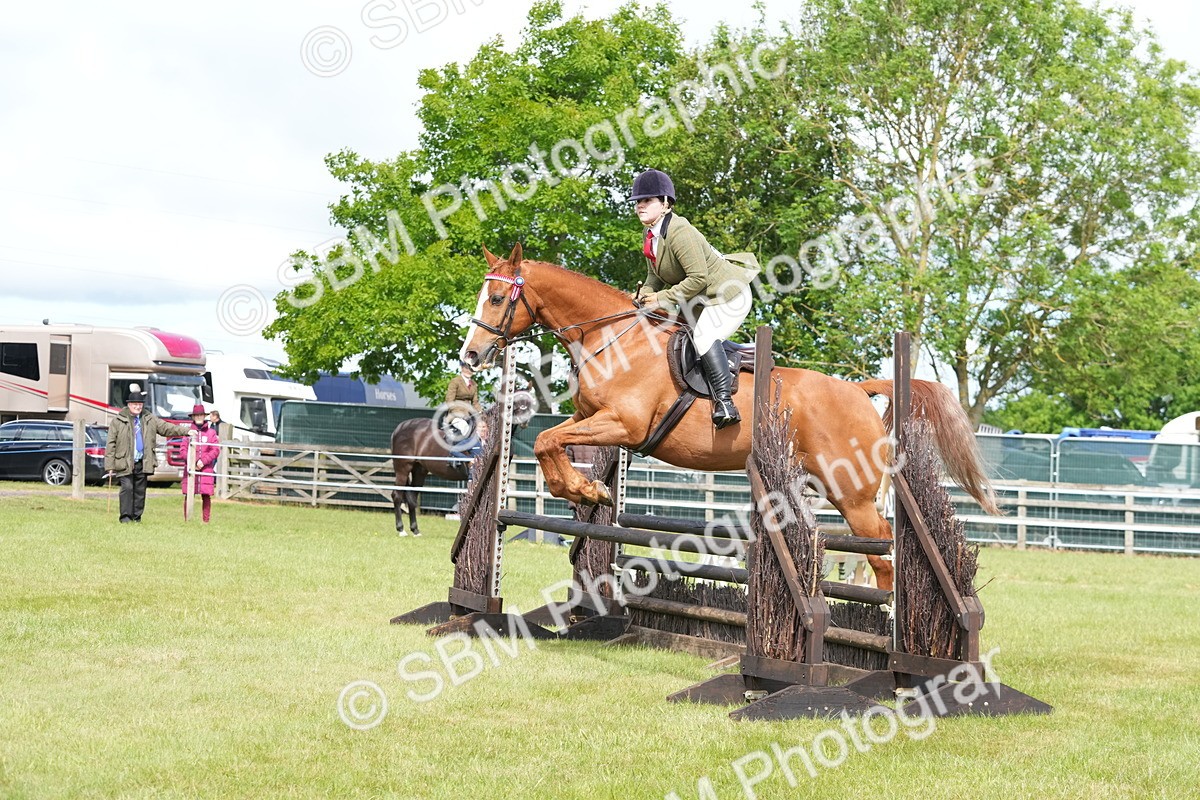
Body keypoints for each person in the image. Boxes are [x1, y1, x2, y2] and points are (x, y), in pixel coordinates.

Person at [631, 168, 760, 429]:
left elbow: (698, 278)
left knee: (702, 337)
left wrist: (661, 299)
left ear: (665, 203)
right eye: (637, 201)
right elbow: (654, 279)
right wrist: (641, 297)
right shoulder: (651, 237)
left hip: (728, 295)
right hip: (702, 301)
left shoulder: (681, 231)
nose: (640, 205)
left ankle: (725, 403)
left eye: (647, 200)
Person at [105, 389, 194, 523]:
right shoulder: (118, 420)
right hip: (124, 460)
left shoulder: (149, 418)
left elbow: (166, 428)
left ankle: (136, 517)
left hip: (143, 460)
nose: (138, 406)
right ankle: (125, 518)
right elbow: (110, 443)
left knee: (140, 491)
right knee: (127, 488)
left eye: (140, 404)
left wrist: (187, 431)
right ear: (129, 405)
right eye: (135, 404)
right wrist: (110, 465)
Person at [182, 403, 220, 523]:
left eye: (201, 415)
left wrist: (203, 461)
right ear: (193, 417)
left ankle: (206, 521)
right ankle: (187, 519)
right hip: (190, 469)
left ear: (204, 416)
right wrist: (191, 462)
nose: (199, 417)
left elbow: (215, 450)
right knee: (188, 495)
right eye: (196, 415)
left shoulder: (211, 433)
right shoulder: (187, 432)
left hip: (205, 469)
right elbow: (183, 450)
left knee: (206, 496)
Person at [443, 361, 481, 443]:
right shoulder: (455, 381)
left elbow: (475, 402)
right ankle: (464, 450)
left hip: (469, 415)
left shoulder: (474, 384)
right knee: (464, 427)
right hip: (455, 415)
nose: (469, 371)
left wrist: (480, 412)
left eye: (471, 369)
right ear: (462, 368)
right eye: (466, 368)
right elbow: (449, 400)